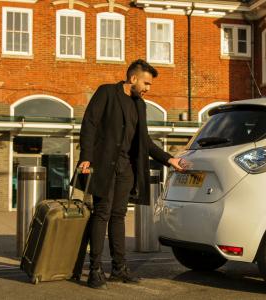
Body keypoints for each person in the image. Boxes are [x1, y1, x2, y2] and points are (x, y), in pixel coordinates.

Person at [78, 59, 186, 289]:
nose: (148, 88)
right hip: (104, 165)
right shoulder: (107, 92)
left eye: (150, 85)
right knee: (101, 213)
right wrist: (86, 156)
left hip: (126, 169)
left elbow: (144, 140)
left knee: (118, 216)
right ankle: (95, 270)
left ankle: (119, 268)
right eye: (146, 83)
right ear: (133, 78)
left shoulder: (140, 105)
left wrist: (168, 159)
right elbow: (89, 123)